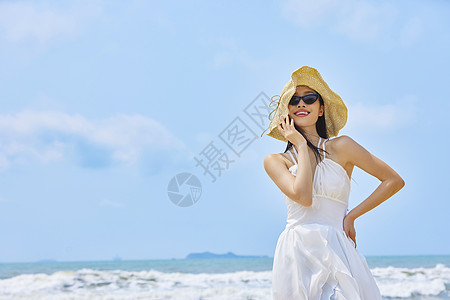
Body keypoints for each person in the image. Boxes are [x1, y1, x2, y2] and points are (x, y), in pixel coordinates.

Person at [261, 66, 405, 299]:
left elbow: (393, 180)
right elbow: (304, 197)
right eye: (294, 100)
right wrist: (300, 145)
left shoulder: (342, 147)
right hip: (297, 252)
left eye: (309, 98)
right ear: (286, 112)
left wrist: (352, 216)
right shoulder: (276, 161)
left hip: (338, 247)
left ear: (321, 109)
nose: (301, 104)